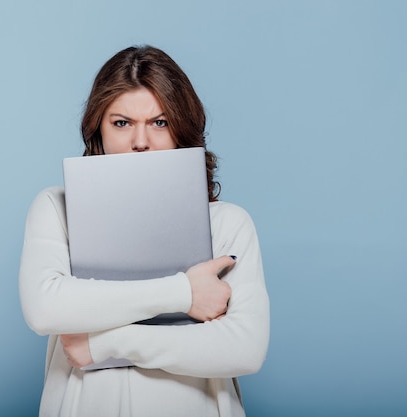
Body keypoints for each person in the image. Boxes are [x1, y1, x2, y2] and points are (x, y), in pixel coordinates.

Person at [19, 45, 270, 417]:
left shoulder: (229, 223)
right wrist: (184, 292)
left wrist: (108, 342)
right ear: (97, 131)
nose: (141, 141)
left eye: (160, 122)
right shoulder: (56, 207)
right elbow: (45, 309)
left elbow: (245, 349)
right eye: (122, 123)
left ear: (182, 128)